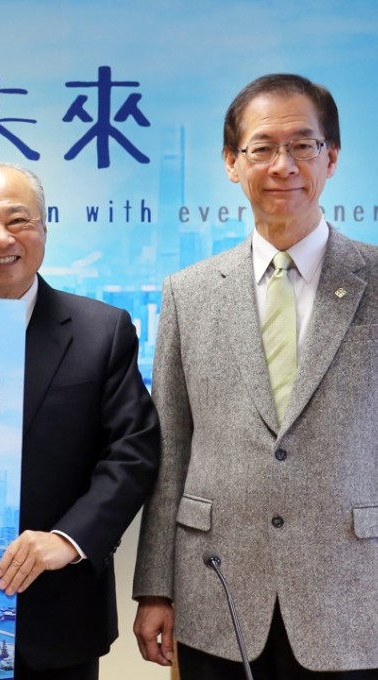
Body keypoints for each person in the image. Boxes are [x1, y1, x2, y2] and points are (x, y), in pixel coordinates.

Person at [133, 73, 378, 679]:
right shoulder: (189, 294)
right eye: (262, 147)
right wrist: (154, 588)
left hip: (354, 594)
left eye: (302, 145)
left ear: (332, 156)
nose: (283, 164)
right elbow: (170, 448)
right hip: (216, 593)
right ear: (231, 163)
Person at [0, 162, 160, 679]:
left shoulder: (101, 330)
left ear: (43, 228)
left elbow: (133, 452)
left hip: (60, 613)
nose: (2, 238)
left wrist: (67, 540)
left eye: (18, 220)